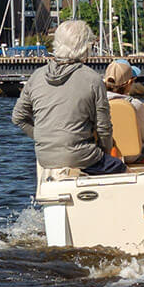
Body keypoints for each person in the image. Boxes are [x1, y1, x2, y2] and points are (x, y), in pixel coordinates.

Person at [12, 19, 119, 175]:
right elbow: (103, 129)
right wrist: (106, 153)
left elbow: (18, 117)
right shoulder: (93, 79)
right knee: (127, 173)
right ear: (84, 47)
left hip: (45, 158)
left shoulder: (36, 76)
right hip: (84, 157)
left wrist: (43, 138)